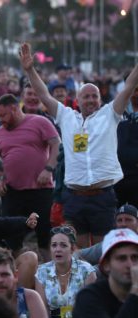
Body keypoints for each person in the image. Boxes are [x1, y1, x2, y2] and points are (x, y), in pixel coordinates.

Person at [19, 42, 138, 247]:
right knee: (79, 254)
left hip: (103, 196)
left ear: (100, 100)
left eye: (94, 96)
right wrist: (30, 70)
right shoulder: (66, 117)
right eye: (86, 96)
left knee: (103, 251)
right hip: (74, 198)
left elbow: (128, 87)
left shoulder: (110, 114)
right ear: (78, 100)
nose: (91, 100)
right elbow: (44, 95)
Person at [49, 228, 138, 318]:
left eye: (135, 258)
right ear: (106, 266)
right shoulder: (90, 296)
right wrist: (135, 292)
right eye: (122, 258)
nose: (130, 265)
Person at [0, 94, 60, 254]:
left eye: (3, 115)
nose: (1, 120)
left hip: (40, 189)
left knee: (45, 236)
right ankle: (15, 273)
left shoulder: (39, 122)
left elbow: (56, 144)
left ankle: (48, 272)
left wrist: (48, 169)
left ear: (14, 108)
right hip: (12, 191)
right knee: (11, 237)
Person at [35, 226, 96, 318]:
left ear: (72, 249)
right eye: (54, 245)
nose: (58, 249)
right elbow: (42, 309)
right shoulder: (42, 272)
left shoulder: (86, 270)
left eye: (63, 245)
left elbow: (89, 308)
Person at [75, 203, 138, 269]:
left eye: (128, 220)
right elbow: (78, 254)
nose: (123, 224)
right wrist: (85, 268)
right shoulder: (110, 242)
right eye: (119, 220)